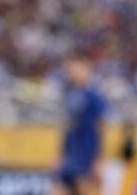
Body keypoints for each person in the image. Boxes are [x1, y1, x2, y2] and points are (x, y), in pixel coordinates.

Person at [50, 54, 106, 195]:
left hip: (86, 155)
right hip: (70, 157)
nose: (72, 71)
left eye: (76, 67)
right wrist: (60, 156)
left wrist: (97, 160)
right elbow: (66, 128)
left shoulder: (93, 96)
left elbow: (99, 128)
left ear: (86, 69)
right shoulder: (69, 95)